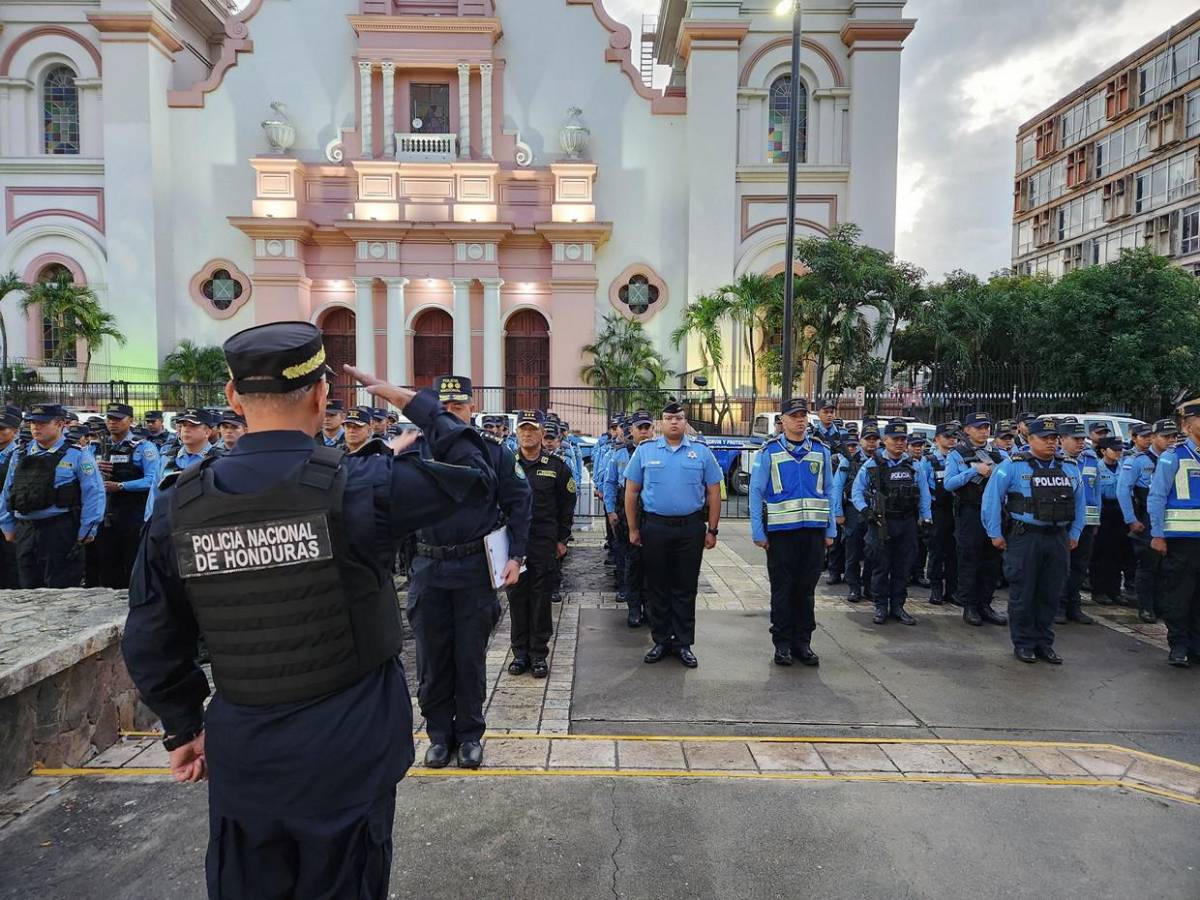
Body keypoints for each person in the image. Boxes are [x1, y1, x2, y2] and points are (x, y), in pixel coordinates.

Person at [122, 322, 495, 899]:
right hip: (349, 748)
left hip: (245, 749)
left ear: (233, 398)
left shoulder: (181, 503)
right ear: (323, 396)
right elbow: (477, 478)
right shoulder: (358, 486)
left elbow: (150, 632)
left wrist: (183, 726)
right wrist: (411, 401)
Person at [409, 375, 530, 771]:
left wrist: (516, 556)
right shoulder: (412, 450)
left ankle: (471, 736)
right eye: (443, 408)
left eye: (458, 407)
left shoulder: (493, 453)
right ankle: (439, 736)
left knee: (469, 657)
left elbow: (519, 503)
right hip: (429, 566)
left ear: (472, 408)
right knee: (432, 657)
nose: (450, 414)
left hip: (473, 567)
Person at [624, 401, 723, 668]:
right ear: (661, 423)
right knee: (657, 586)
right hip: (655, 528)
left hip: (690, 528)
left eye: (678, 418)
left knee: (685, 587)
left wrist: (712, 529)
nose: (674, 422)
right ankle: (660, 641)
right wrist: (633, 528)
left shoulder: (701, 452)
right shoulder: (645, 451)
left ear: (685, 421)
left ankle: (683, 643)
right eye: (669, 418)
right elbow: (631, 491)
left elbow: (714, 491)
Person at [983, 415, 1085, 664]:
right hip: (1026, 537)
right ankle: (1024, 642)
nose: (1051, 443)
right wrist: (994, 533)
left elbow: (1080, 503)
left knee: (1050, 593)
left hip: (1057, 538)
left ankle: (1044, 642)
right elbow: (992, 500)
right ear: (1030, 439)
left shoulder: (1068, 467)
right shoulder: (1014, 465)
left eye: (1054, 438)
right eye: (1045, 438)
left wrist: (1075, 533)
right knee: (1023, 592)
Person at [749, 398, 836, 665]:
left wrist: (830, 528)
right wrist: (758, 531)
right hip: (781, 533)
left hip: (813, 532)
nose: (800, 420)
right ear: (782, 421)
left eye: (803, 415)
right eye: (794, 416)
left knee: (806, 590)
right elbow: (755, 492)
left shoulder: (820, 451)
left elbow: (830, 490)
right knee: (783, 590)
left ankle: (803, 643)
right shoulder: (769, 451)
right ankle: (782, 644)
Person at [0, 404, 105, 588]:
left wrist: (87, 529)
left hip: (59, 529)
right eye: (32, 423)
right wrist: (6, 524)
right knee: (27, 588)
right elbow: (8, 491)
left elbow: (93, 493)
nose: (35, 427)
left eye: (42, 423)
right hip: (25, 530)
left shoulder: (77, 455)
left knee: (61, 589)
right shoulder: (20, 454)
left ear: (60, 424)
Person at [508, 410, 574, 678]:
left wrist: (562, 538)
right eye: (522, 429)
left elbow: (567, 504)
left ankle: (538, 654)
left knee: (540, 598)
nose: (527, 433)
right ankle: (519, 653)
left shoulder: (556, 466)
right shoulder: (506, 464)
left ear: (541, 432)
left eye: (532, 429)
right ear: (516, 433)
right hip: (513, 545)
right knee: (517, 598)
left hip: (544, 542)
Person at [851, 420, 933, 626]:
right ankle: (880, 606)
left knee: (902, 567)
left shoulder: (914, 465)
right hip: (881, 523)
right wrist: (866, 511)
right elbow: (856, 492)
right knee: (881, 566)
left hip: (906, 523)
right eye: (895, 439)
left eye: (903, 439)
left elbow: (924, 493)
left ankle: (898, 606)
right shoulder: (873, 464)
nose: (899, 443)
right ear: (885, 441)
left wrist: (927, 518)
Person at [1147, 400, 1200, 667]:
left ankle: (1197, 645)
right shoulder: (1173, 456)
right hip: (1180, 540)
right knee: (1179, 595)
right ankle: (1178, 645)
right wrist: (1157, 534)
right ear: (1187, 425)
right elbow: (1156, 496)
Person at [946, 412, 1008, 627]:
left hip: (995, 513)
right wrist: (974, 471)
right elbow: (949, 483)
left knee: (992, 560)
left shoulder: (1000, 455)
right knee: (970, 558)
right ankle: (970, 606)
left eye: (987, 427)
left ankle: (986, 604)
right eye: (979, 427)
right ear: (967, 430)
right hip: (970, 512)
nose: (984, 431)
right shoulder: (957, 454)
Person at [96, 402, 158, 589]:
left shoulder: (143, 447)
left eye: (117, 419)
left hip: (132, 514)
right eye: (109, 419)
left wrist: (121, 486)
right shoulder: (96, 447)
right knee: (106, 565)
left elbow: (152, 480)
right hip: (105, 514)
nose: (112, 423)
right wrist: (96, 471)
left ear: (130, 421)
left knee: (133, 562)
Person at [1118, 422, 1166, 623]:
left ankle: (1161, 605)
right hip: (1145, 517)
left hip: (1168, 519)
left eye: (1174, 437)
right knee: (1148, 565)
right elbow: (1123, 490)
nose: (1171, 440)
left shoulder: (1175, 459)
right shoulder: (1137, 460)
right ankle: (1146, 607)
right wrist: (1131, 520)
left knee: (1167, 567)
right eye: (1166, 436)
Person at [144, 408, 223, 521]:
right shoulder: (166, 459)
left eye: (193, 426)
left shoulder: (218, 460)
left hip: (203, 525)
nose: (186, 430)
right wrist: (149, 524)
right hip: (168, 524)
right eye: (184, 425)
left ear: (207, 432)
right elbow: (154, 496)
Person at [833, 425, 880, 603]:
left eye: (874, 439)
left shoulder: (881, 459)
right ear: (861, 441)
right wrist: (838, 512)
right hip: (854, 511)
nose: (871, 443)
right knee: (853, 549)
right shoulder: (849, 459)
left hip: (875, 511)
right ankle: (854, 587)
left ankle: (868, 586)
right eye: (868, 439)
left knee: (872, 551)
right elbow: (837, 487)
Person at [1056, 420, 1098, 625]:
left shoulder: (1091, 459)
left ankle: (1074, 604)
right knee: (1061, 566)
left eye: (1083, 439)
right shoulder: (1055, 461)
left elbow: (1095, 492)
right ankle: (1059, 606)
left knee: (1080, 566)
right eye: (1076, 439)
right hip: (1063, 521)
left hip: (1087, 522)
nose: (1081, 443)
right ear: (1061, 440)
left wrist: (1096, 519)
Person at [1091, 435, 1129, 605]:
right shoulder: (1097, 468)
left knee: (1118, 553)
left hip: (1120, 511)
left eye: (1120, 450)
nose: (1118, 453)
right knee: (1101, 554)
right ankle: (1099, 590)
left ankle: (1114, 591)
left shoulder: (1124, 467)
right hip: (1104, 511)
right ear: (1103, 451)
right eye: (1115, 450)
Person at [925, 423, 959, 606]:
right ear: (937, 439)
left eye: (954, 437)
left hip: (956, 509)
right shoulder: (929, 460)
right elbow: (923, 488)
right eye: (948, 436)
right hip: (937, 511)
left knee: (954, 552)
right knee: (937, 551)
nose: (952, 440)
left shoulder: (960, 459)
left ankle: (952, 590)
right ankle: (936, 589)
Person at [0, 406, 23, 587]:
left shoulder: (19, 456)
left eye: (2, 429)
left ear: (15, 431)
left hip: (8, 521)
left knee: (10, 568)